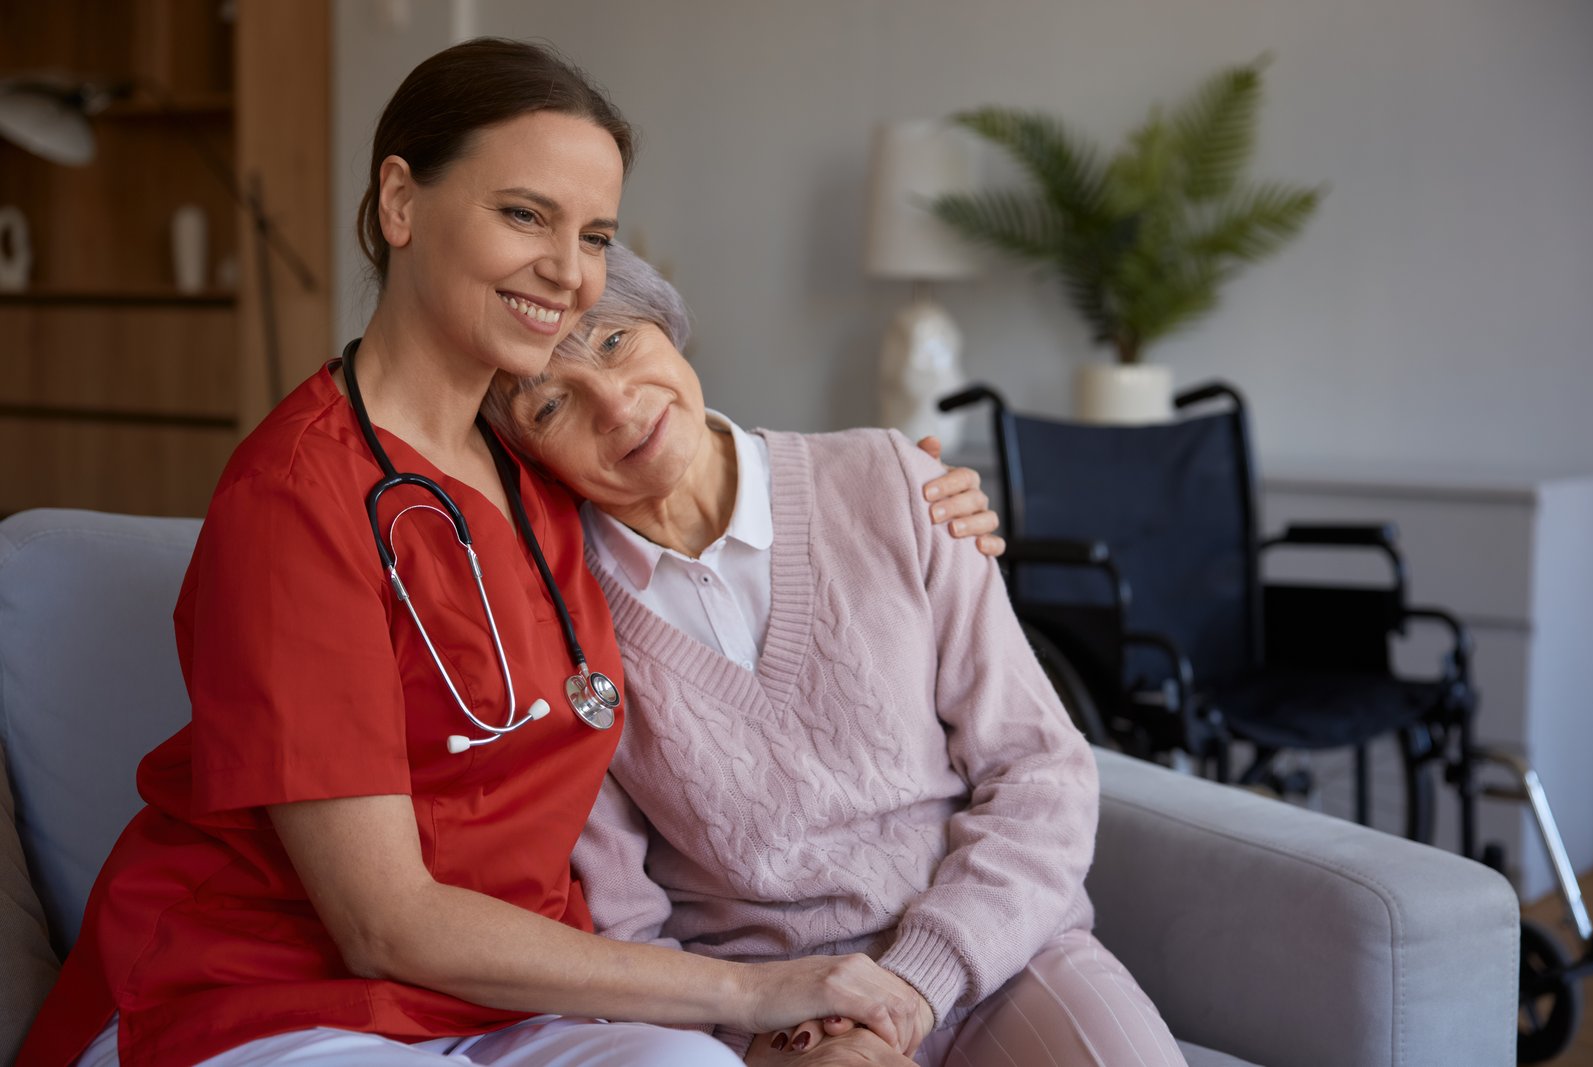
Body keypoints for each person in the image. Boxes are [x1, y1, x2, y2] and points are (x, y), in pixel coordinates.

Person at [18, 39, 999, 1067]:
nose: (569, 272)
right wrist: (753, 991)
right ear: (399, 203)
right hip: (268, 997)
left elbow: (719, 486)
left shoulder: (541, 456)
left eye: (595, 234)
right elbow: (381, 922)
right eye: (524, 214)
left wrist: (910, 493)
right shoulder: (295, 499)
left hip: (505, 998)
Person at [484, 245, 1188, 1067]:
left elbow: (1041, 773)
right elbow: (625, 914)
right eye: (549, 406)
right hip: (786, 1016)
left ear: (667, 325)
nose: (614, 405)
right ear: (525, 456)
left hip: (1000, 954)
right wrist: (763, 1039)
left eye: (614, 342)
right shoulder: (559, 625)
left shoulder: (893, 481)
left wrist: (918, 985)